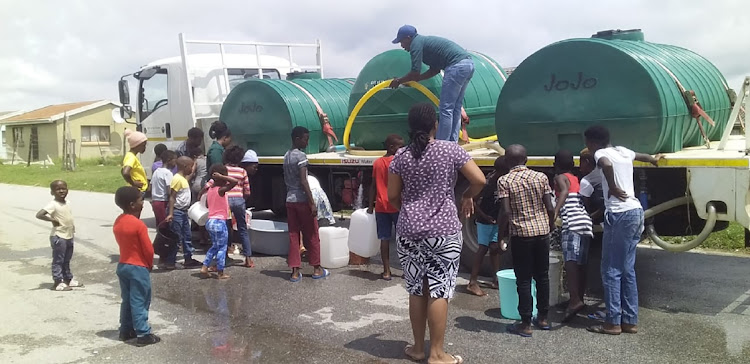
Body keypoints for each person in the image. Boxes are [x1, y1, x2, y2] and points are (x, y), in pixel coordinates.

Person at [388, 103, 485, 364]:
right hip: (443, 231)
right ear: (435, 125)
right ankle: (437, 353)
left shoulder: (400, 157)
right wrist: (465, 197)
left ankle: (419, 348)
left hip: (409, 232)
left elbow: (393, 196)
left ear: (410, 127)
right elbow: (479, 180)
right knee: (439, 289)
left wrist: (409, 211)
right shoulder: (451, 150)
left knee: (416, 289)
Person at [584, 126, 660, 335]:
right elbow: (642, 156)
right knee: (627, 270)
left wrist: (613, 186)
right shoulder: (623, 150)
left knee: (610, 270)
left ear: (592, 142)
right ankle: (629, 321)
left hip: (619, 214)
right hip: (636, 212)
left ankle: (612, 322)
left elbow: (606, 165)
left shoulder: (601, 154)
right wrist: (654, 159)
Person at [497, 144, 556, 337]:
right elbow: (549, 206)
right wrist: (550, 224)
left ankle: (525, 323)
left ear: (506, 161)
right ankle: (544, 318)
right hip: (542, 232)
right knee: (543, 275)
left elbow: (506, 212)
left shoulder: (504, 180)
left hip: (521, 234)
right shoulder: (541, 177)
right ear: (527, 159)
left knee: (523, 279)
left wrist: (501, 234)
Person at [389, 25, 475, 142]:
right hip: (468, 64)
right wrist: (418, 79)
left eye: (402, 41)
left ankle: (441, 144)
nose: (402, 46)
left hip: (456, 66)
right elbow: (434, 70)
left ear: (408, 38)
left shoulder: (416, 44)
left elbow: (415, 72)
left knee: (446, 109)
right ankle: (451, 144)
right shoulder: (424, 42)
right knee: (455, 108)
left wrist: (399, 81)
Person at [113, 186, 160, 346]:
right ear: (133, 204)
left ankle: (125, 330)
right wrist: (149, 264)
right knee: (140, 300)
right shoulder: (139, 225)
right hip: (138, 267)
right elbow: (148, 249)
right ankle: (143, 333)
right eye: (141, 200)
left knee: (127, 300)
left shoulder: (119, 221)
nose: (143, 202)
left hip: (123, 264)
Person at [552, 150, 594, 322]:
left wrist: (554, 214)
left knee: (570, 261)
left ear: (556, 165)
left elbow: (563, 192)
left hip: (572, 223)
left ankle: (575, 300)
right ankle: (578, 299)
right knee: (581, 263)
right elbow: (586, 200)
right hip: (585, 222)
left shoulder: (560, 177)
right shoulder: (577, 178)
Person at [284, 126, 327, 282]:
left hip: (290, 200)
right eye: (305, 139)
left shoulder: (286, 156)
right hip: (302, 200)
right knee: (312, 234)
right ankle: (316, 268)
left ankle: (295, 272)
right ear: (297, 139)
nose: (307, 142)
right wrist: (312, 203)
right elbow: (304, 181)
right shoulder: (301, 156)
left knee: (294, 235)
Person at [204, 146, 254, 268]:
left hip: (225, 201)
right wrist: (242, 200)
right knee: (242, 229)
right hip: (239, 201)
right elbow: (247, 191)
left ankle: (224, 257)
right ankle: (248, 259)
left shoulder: (222, 170)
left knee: (226, 230)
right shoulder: (242, 171)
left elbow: (208, 184)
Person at [467, 156, 509, 297]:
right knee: (483, 248)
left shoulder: (503, 182)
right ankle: (472, 282)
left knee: (495, 248)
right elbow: (473, 202)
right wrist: (485, 217)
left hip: (496, 221)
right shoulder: (487, 183)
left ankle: (496, 279)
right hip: (484, 221)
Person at [367, 134, 405, 281]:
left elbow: (373, 186)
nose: (402, 149)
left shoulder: (377, 163)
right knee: (403, 240)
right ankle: (405, 270)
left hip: (381, 207)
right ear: (391, 147)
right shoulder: (398, 162)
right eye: (400, 147)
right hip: (397, 206)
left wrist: (371, 206)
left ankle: (387, 271)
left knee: (384, 239)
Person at [35, 180, 82, 291]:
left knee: (67, 259)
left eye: (63, 188)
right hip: (59, 236)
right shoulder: (53, 204)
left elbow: (68, 216)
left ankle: (67, 279)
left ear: (67, 190)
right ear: (52, 192)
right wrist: (52, 220)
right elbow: (39, 215)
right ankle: (57, 282)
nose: (61, 191)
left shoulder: (67, 202)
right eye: (58, 189)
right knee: (58, 260)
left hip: (69, 235)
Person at [200, 165, 238, 280]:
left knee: (215, 246)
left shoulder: (210, 190)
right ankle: (220, 272)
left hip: (210, 222)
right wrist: (223, 176)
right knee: (222, 248)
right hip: (219, 222)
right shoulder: (221, 190)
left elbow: (207, 205)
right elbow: (235, 182)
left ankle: (205, 266)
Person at [166, 156, 201, 268]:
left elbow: (189, 176)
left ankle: (188, 259)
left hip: (184, 212)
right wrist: (171, 213)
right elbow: (172, 197)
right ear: (185, 167)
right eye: (190, 167)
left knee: (187, 236)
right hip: (177, 212)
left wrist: (194, 165)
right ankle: (170, 261)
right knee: (176, 238)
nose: (192, 169)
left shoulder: (182, 179)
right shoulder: (176, 179)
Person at [150, 150, 176, 228]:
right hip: (163, 202)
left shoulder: (156, 171)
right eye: (175, 159)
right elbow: (169, 191)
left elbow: (150, 186)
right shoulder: (168, 173)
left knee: (159, 224)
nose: (176, 162)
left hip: (155, 201)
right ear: (169, 160)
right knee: (165, 225)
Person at [121, 129, 148, 194]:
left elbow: (122, 170)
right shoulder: (131, 157)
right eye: (143, 145)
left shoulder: (130, 156)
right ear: (137, 145)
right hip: (137, 191)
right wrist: (133, 183)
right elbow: (125, 172)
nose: (145, 147)